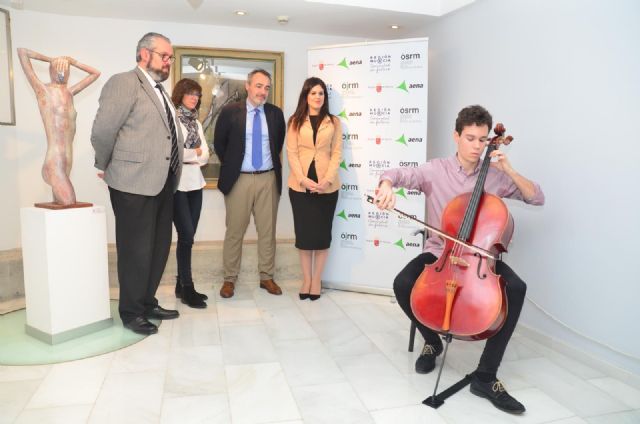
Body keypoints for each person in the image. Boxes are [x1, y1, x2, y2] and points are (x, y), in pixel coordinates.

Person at [374, 105, 545, 414]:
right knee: (402, 283)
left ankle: (485, 375)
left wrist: (508, 170)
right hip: (441, 252)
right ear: (456, 136)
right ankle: (432, 341)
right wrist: (386, 185)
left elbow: (536, 197)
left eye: (482, 140)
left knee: (516, 288)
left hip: (479, 257)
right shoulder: (434, 170)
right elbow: (398, 174)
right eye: (470, 138)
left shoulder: (494, 176)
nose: (477, 147)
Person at [91, 32, 183, 335]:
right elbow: (103, 130)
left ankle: (146, 302)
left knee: (157, 248)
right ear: (144, 54)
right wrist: (104, 164)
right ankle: (130, 311)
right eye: (164, 56)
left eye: (170, 57)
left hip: (163, 182)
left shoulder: (161, 91)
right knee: (135, 250)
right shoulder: (124, 82)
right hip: (132, 183)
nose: (169, 61)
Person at [214, 69, 286, 299]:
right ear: (247, 86)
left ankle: (267, 277)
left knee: (268, 232)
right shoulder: (229, 112)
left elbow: (278, 144)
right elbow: (220, 144)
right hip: (239, 180)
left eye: (267, 87)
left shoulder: (275, 114)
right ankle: (229, 279)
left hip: (268, 178)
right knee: (235, 231)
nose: (262, 91)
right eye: (258, 86)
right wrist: (235, 165)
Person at [17, 48, 100, 206]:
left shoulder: (69, 93)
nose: (63, 72)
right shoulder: (43, 90)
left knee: (62, 209)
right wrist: (52, 59)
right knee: (69, 202)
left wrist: (73, 61)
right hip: (54, 162)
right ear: (51, 71)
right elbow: (22, 53)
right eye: (59, 69)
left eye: (66, 69)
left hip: (68, 161)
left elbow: (96, 73)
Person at [286, 77, 342, 300]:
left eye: (321, 93)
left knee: (321, 236)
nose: (318, 97)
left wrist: (327, 180)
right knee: (305, 236)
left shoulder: (334, 122)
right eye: (313, 93)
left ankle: (317, 280)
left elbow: (337, 152)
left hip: (326, 187)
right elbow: (291, 152)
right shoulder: (295, 121)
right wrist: (302, 179)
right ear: (306, 96)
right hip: (300, 187)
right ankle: (306, 279)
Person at [171, 78, 210, 309]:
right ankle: (188, 289)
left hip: (196, 183)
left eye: (197, 94)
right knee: (186, 235)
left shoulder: (196, 122)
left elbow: (206, 154)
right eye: (190, 93)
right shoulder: (173, 119)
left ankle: (180, 284)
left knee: (189, 238)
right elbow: (174, 152)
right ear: (180, 95)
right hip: (178, 185)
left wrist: (193, 152)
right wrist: (195, 152)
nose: (195, 97)